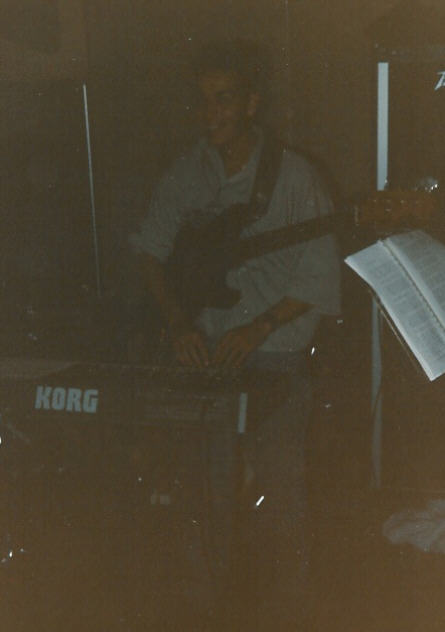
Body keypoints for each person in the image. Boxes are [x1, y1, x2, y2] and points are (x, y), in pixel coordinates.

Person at [130, 41, 341, 631]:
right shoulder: (185, 172)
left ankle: (292, 613)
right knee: (200, 490)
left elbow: (319, 276)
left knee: (282, 490)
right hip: (208, 353)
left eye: (223, 99)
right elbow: (149, 251)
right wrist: (178, 323)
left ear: (251, 103)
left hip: (277, 352)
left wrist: (260, 326)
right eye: (202, 101)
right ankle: (202, 610)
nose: (211, 113)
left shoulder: (295, 177)